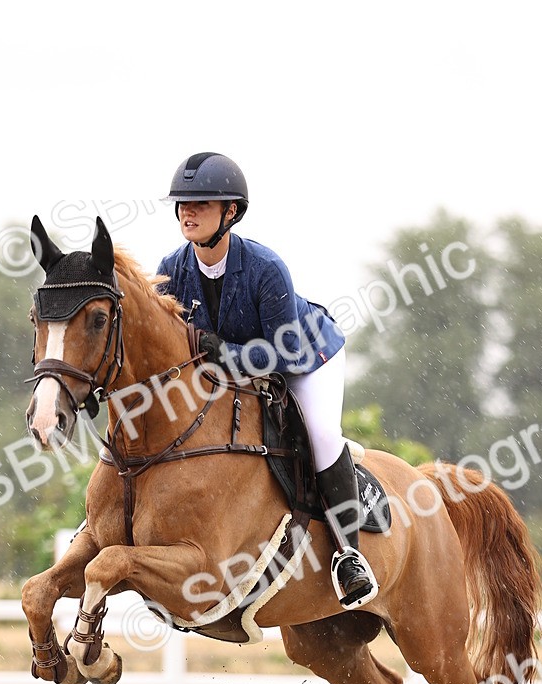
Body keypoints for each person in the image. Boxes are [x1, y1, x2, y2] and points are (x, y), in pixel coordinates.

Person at [156, 151, 378, 611]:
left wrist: (227, 354)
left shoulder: (264, 266)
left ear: (230, 212)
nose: (188, 212)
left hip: (306, 357)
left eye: (202, 203)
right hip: (235, 372)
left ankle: (348, 555)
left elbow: (287, 354)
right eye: (183, 203)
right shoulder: (172, 269)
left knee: (319, 434)